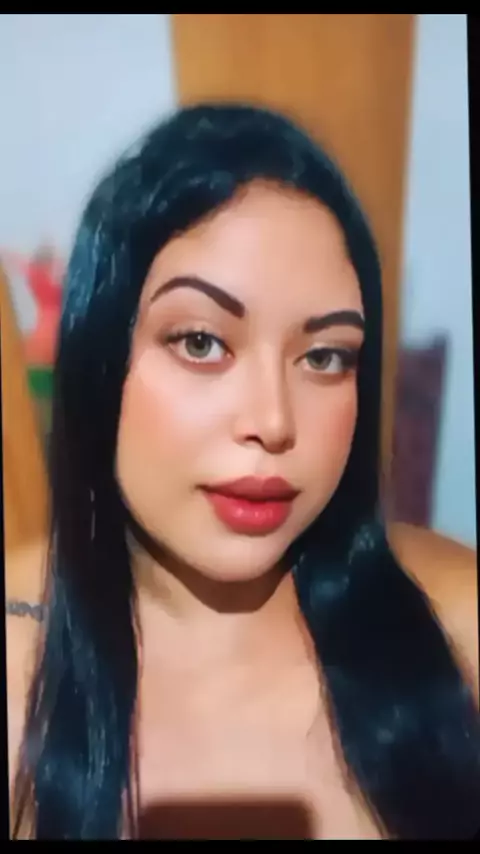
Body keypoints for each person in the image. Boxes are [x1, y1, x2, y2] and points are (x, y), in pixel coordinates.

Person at [6, 103, 479, 840]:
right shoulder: (20, 669)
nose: (274, 420)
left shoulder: (455, 628)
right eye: (201, 342)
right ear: (100, 356)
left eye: (324, 356)